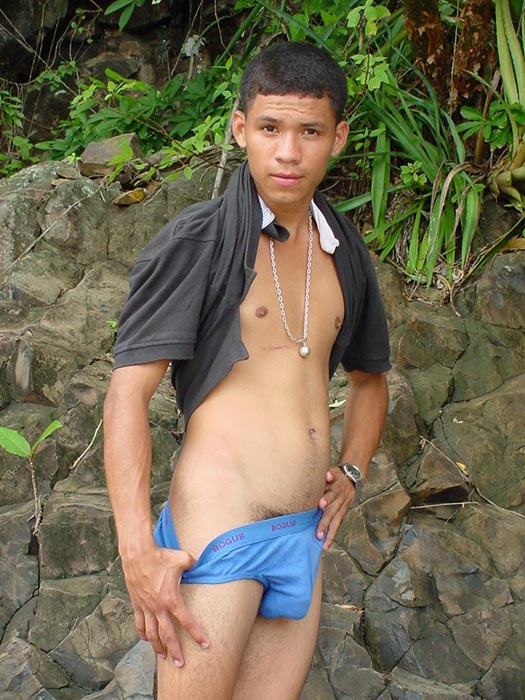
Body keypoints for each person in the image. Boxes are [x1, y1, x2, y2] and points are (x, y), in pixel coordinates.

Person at [103, 41, 390, 700]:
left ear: (338, 137)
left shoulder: (344, 250)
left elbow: (370, 379)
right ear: (240, 129)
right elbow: (126, 395)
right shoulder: (198, 241)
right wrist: (136, 550)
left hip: (303, 535)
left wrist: (351, 470)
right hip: (219, 530)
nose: (288, 152)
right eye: (269, 128)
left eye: (309, 131)